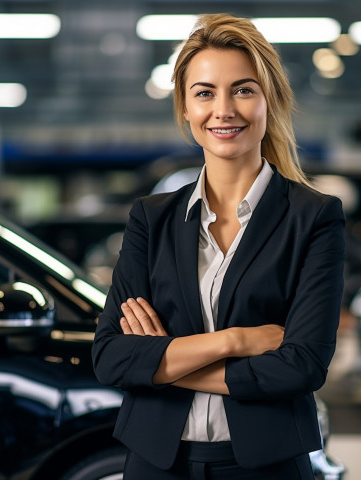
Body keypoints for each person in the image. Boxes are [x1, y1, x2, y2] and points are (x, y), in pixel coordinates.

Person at [92, 13, 345, 480]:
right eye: (204, 93)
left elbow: (301, 366)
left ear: (271, 100)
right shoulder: (151, 218)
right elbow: (110, 357)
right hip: (156, 462)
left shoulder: (314, 217)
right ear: (186, 109)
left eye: (243, 90)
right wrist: (238, 340)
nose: (223, 110)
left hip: (266, 464)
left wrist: (163, 361)